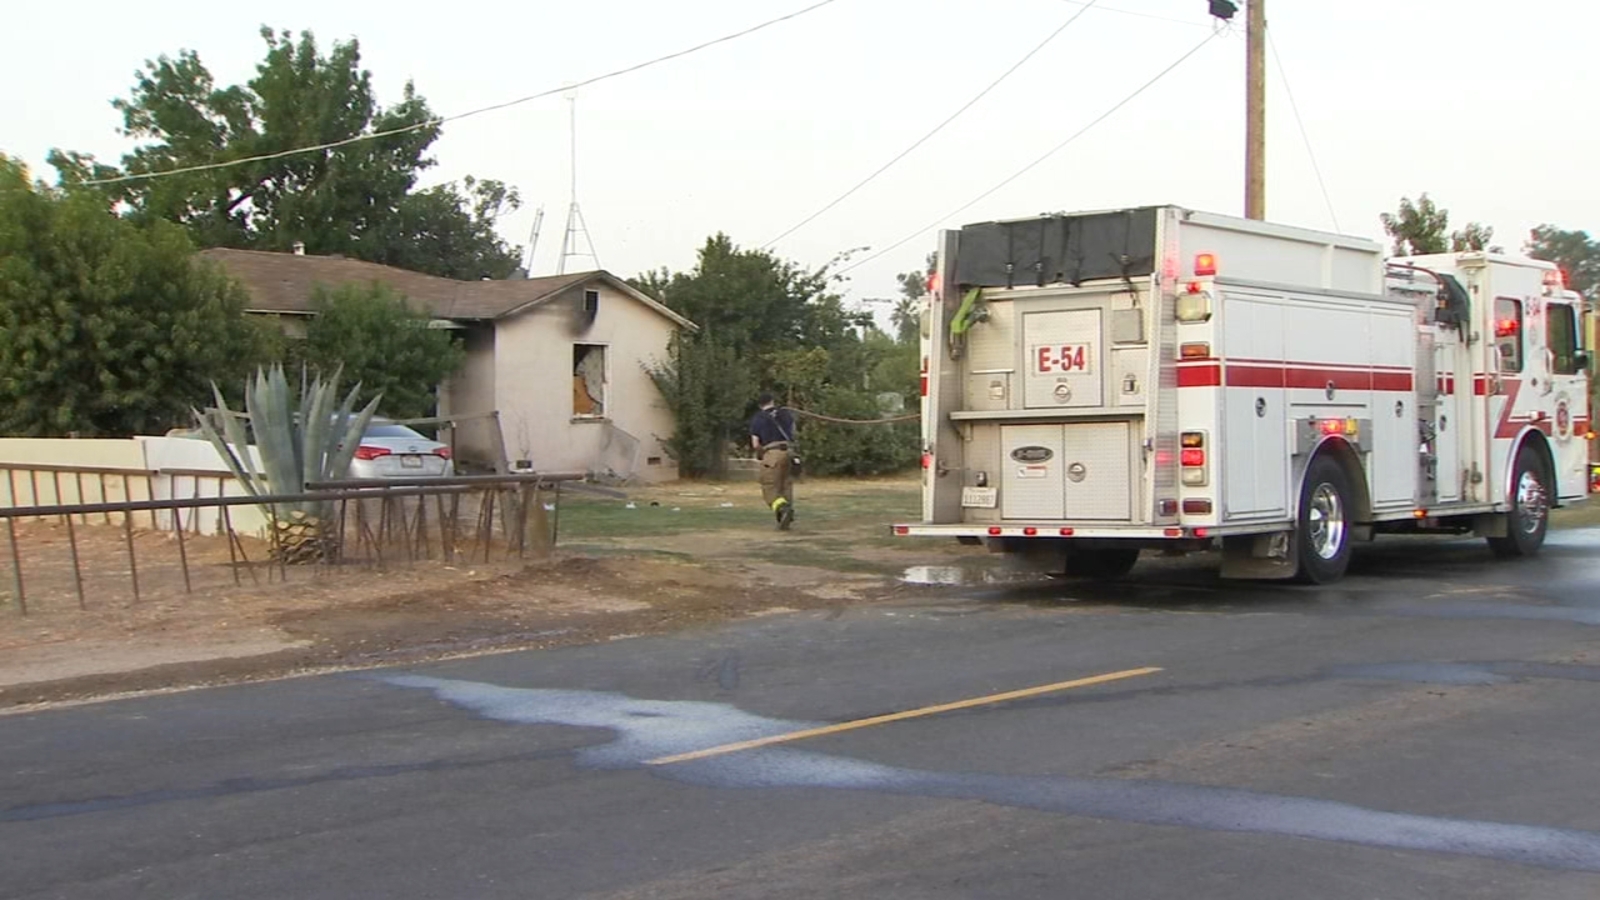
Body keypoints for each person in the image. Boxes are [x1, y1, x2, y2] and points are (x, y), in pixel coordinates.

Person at [749, 392, 797, 530]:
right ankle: (785, 516)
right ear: (772, 401)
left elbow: (755, 444)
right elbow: (793, 433)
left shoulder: (758, 418)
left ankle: (783, 508)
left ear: (759, 405)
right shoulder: (786, 414)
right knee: (786, 485)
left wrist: (761, 454)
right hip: (789, 452)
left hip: (772, 453)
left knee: (769, 486)